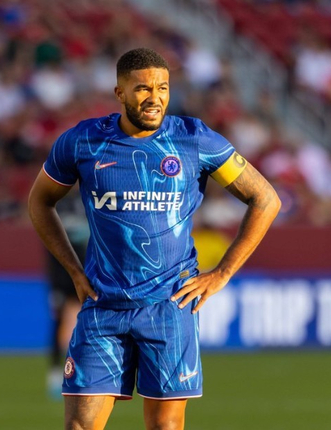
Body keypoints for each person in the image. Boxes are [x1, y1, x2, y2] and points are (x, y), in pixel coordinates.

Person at [28, 48, 281, 430]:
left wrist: (223, 273)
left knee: (164, 427)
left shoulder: (194, 139)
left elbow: (265, 199)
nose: (155, 97)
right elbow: (39, 202)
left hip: (169, 307)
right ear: (120, 93)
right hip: (103, 305)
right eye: (143, 88)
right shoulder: (83, 142)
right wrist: (74, 271)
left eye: (162, 87)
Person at [45, 188, 89, 399]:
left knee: (86, 322)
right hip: (61, 276)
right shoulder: (56, 202)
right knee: (59, 322)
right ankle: (56, 372)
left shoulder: (88, 199)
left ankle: (82, 370)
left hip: (86, 272)